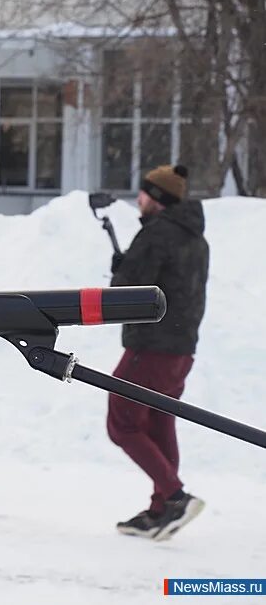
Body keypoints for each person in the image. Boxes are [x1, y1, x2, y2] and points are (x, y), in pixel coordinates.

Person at [108, 164, 209, 541]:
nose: (140, 198)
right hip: (182, 350)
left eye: (146, 193)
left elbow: (127, 292)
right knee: (158, 423)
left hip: (151, 347)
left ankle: (175, 496)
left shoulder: (157, 235)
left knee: (122, 422)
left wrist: (122, 270)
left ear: (160, 199)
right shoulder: (197, 238)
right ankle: (160, 510)